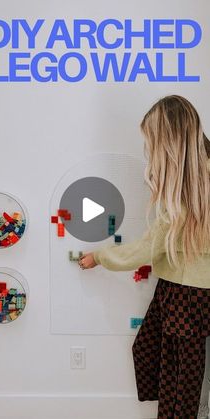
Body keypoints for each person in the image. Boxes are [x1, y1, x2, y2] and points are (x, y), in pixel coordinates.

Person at [78, 95, 210, 419]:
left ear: (169, 143)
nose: (149, 151)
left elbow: (146, 248)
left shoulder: (187, 192)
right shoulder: (192, 182)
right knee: (157, 356)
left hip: (187, 294)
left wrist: (100, 256)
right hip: (178, 288)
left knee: (182, 381)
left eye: (153, 142)